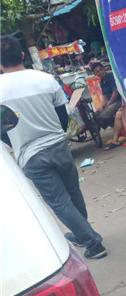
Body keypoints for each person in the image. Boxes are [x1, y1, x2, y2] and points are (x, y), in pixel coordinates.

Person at [0, 35, 107, 258]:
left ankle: (92, 242)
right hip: (59, 146)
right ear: (22, 55)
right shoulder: (45, 79)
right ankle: (82, 233)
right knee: (73, 193)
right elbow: (62, 116)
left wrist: (17, 144)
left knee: (59, 202)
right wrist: (55, 135)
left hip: (31, 154)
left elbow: (2, 130)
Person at [91, 61, 122, 131]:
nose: (100, 72)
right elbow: (104, 96)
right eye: (97, 72)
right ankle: (114, 126)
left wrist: (109, 104)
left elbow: (115, 92)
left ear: (104, 69)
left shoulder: (111, 76)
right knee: (96, 115)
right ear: (95, 74)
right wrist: (103, 105)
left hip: (119, 101)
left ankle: (117, 127)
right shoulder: (102, 82)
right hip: (111, 102)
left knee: (103, 116)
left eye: (101, 69)